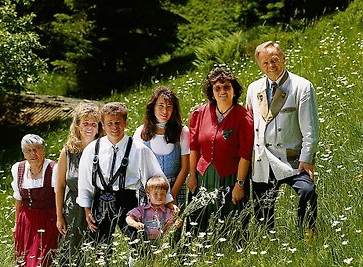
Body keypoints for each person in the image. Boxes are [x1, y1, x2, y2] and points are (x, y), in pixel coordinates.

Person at [76, 102, 176, 255]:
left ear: (125, 123)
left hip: (128, 200)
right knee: (100, 249)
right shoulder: (92, 150)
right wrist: (87, 209)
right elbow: (85, 183)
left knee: (140, 245)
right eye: (109, 123)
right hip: (100, 201)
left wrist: (168, 204)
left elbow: (156, 179)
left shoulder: (139, 149)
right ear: (103, 124)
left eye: (118, 122)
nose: (114, 127)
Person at [246, 41, 319, 235]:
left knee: (307, 192)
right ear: (259, 65)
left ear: (284, 59)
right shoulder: (254, 88)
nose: (271, 65)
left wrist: (307, 158)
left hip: (292, 158)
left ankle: (306, 233)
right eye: (265, 63)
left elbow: (310, 128)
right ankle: (267, 243)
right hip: (262, 159)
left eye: (274, 60)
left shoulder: (302, 86)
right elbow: (249, 124)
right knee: (263, 212)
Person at [187, 67, 254, 235]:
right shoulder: (200, 113)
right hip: (203, 176)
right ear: (212, 92)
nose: (222, 91)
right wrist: (193, 176)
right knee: (201, 222)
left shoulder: (243, 117)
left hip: (230, 177)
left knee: (230, 223)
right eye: (217, 88)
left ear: (234, 90)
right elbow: (194, 147)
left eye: (226, 87)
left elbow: (245, 155)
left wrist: (239, 184)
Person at [55, 102, 102, 264]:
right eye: (85, 123)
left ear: (98, 127)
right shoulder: (67, 151)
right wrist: (59, 216)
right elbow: (60, 186)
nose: (89, 127)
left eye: (93, 124)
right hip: (72, 211)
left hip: (97, 210)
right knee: (69, 255)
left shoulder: (104, 150)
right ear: (77, 125)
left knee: (95, 255)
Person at [133, 86, 190, 209]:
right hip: (149, 192)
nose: (165, 111)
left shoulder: (182, 132)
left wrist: (171, 196)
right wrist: (152, 195)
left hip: (175, 188)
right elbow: (137, 167)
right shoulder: (141, 132)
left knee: (173, 227)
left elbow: (185, 168)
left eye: (169, 106)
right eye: (161, 106)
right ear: (153, 107)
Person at [11, 134, 59, 267]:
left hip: (48, 220)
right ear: (23, 153)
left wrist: (60, 220)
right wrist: (16, 225)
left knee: (41, 261)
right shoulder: (18, 169)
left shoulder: (53, 169)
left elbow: (60, 197)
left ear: (44, 150)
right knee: (23, 260)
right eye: (28, 150)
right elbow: (18, 199)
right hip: (26, 221)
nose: (33, 153)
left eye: (36, 149)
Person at [126, 175, 183, 241]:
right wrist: (135, 224)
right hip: (144, 243)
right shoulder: (142, 210)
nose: (159, 196)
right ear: (148, 195)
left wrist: (178, 223)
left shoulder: (168, 211)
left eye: (162, 194)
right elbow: (128, 218)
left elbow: (177, 221)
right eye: (155, 194)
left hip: (163, 243)